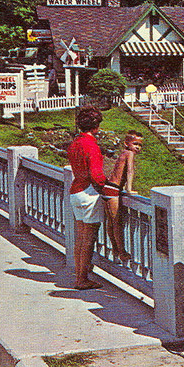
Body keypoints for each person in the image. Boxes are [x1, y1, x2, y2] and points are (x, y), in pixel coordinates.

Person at [66, 105, 111, 290]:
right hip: (89, 193)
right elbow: (96, 175)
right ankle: (82, 279)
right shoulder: (91, 145)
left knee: (80, 238)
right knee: (88, 239)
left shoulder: (75, 143)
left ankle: (79, 275)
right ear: (96, 126)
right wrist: (110, 187)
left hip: (75, 192)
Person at [106, 131, 144, 262]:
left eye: (140, 145)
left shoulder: (123, 153)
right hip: (114, 190)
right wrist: (128, 189)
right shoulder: (129, 154)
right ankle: (121, 252)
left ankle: (116, 248)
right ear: (126, 143)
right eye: (135, 144)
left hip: (107, 188)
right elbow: (129, 171)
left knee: (111, 223)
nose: (137, 147)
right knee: (116, 223)